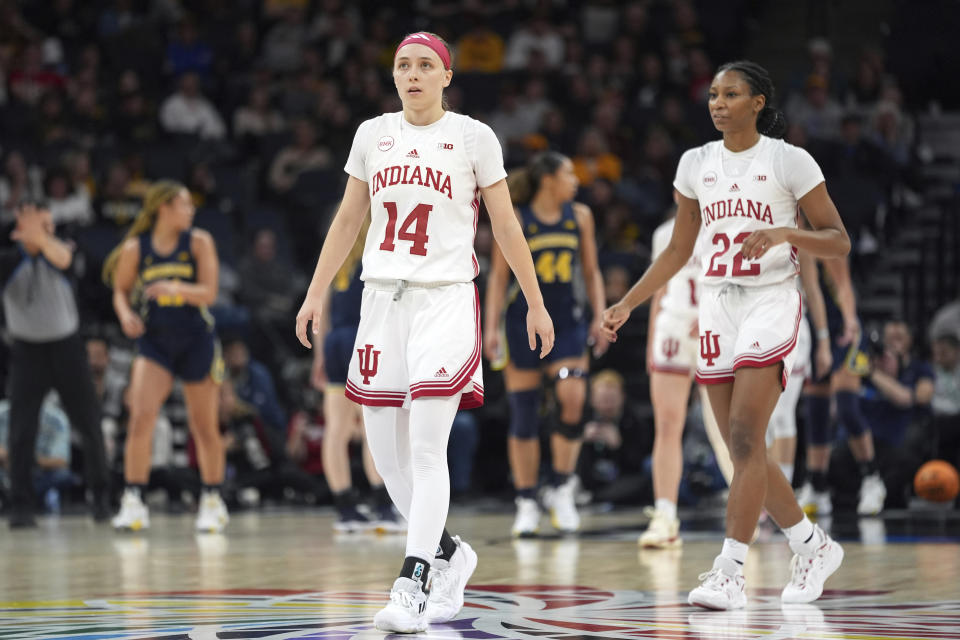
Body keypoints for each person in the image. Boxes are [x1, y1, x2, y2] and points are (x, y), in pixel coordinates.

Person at [295, 32, 554, 633]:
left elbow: (508, 226)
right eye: (403, 65)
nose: (412, 74)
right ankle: (449, 554)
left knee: (425, 448)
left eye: (424, 66)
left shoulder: (473, 137)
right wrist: (313, 294)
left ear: (446, 75)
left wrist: (534, 302)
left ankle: (412, 582)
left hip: (445, 301)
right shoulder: (371, 135)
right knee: (385, 460)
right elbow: (347, 219)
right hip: (380, 301)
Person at [602, 60, 847, 610]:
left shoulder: (790, 160)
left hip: (770, 300)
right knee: (747, 451)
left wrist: (787, 232)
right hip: (716, 303)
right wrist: (628, 302)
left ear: (757, 102)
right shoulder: (695, 164)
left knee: (742, 436)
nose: (717, 103)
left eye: (731, 94)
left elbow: (838, 240)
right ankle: (812, 546)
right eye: (713, 94)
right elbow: (677, 249)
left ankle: (729, 571)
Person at [483, 151, 608, 537]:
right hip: (522, 323)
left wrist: (600, 314)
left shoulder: (580, 217)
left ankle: (560, 485)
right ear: (549, 180)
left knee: (573, 396)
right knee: (523, 414)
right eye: (569, 173)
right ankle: (526, 499)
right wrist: (489, 329)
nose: (576, 180)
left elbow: (590, 271)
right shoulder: (519, 219)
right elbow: (500, 279)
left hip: (567, 323)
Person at [102, 181, 228, 533]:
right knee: (141, 419)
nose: (190, 212)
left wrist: (175, 288)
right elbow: (121, 292)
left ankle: (213, 500)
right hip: (154, 342)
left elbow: (210, 292)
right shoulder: (136, 248)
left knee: (204, 426)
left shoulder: (199, 242)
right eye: (184, 205)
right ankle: (133, 500)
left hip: (195, 339)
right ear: (164, 208)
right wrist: (125, 313)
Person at [0, 202, 110, 528]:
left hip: (67, 348)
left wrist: (42, 237)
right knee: (22, 429)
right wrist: (27, 240)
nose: (47, 231)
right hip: (27, 352)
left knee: (89, 423)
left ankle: (102, 497)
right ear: (18, 230)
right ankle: (21, 504)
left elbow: (63, 258)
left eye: (49, 225)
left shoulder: (66, 252)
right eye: (38, 225)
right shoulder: (8, 261)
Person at [310, 212, 403, 533]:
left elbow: (321, 307)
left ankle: (345, 509)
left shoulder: (339, 258)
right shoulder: (379, 252)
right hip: (365, 339)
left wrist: (320, 354)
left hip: (336, 340)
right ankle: (383, 506)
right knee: (371, 425)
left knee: (335, 429)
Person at [796, 254, 886, 516]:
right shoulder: (785, 238)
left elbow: (843, 284)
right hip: (811, 331)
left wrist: (849, 319)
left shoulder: (823, 237)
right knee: (816, 410)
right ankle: (817, 485)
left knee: (846, 407)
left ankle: (872, 479)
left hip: (842, 331)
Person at [765, 250, 832, 487]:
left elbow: (813, 291)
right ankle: (766, 490)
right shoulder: (748, 231)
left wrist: (823, 341)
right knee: (763, 418)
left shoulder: (799, 241)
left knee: (782, 414)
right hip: (758, 329)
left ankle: (781, 491)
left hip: (791, 329)